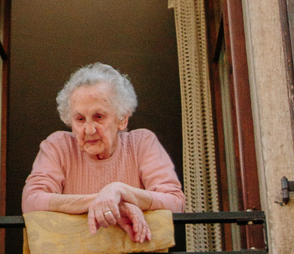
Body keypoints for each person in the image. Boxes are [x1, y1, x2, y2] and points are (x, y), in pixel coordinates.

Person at [21, 63, 185, 244]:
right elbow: (31, 201)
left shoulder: (142, 143)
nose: (89, 130)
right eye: (80, 119)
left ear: (122, 119)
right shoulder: (58, 146)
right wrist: (105, 202)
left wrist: (118, 190)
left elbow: (175, 203)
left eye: (99, 117)